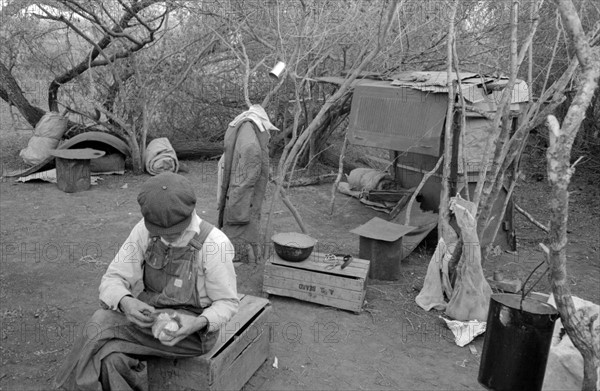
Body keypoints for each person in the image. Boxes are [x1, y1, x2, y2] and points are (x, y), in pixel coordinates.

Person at [54, 172, 238, 390]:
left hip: (193, 332)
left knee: (102, 321)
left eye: (174, 231)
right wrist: (125, 301)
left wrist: (196, 324)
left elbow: (227, 303)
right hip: (151, 319)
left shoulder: (214, 244)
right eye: (160, 232)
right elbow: (113, 278)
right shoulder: (144, 229)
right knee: (110, 359)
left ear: (189, 214)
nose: (167, 236)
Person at [217, 104, 278, 263]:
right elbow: (247, 176)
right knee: (242, 222)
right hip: (243, 192)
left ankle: (245, 256)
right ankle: (240, 258)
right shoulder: (250, 141)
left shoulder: (245, 130)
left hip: (238, 186)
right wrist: (238, 202)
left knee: (243, 224)